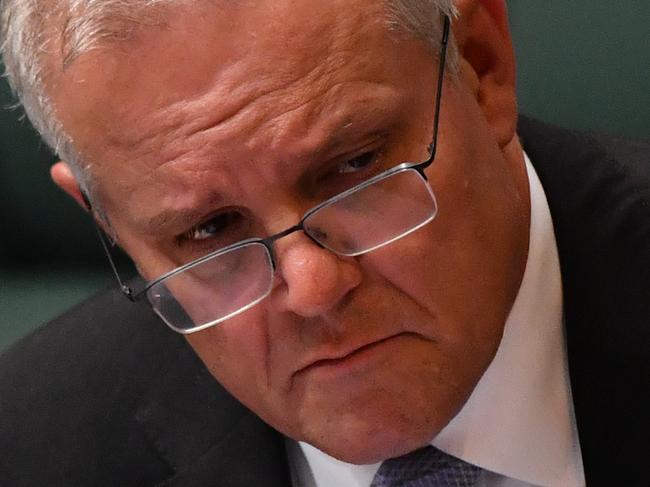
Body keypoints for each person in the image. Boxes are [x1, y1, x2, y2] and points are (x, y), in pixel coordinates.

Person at [0, 0, 647, 486]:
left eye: (356, 164)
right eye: (209, 230)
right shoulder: (31, 449)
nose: (312, 286)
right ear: (109, 222)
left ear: (482, 64)